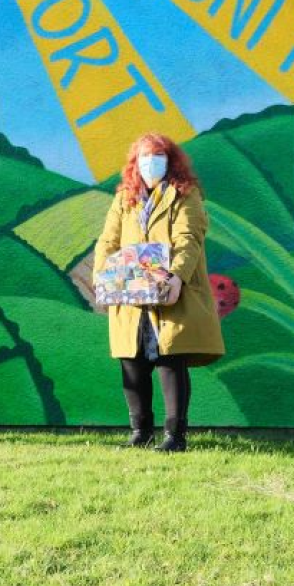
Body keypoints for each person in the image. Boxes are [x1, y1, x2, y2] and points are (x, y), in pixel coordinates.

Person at [93, 133, 223, 452]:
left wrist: (177, 277)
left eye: (157, 156)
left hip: (169, 292)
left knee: (169, 358)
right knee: (132, 361)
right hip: (130, 293)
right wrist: (101, 277)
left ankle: (174, 436)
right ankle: (140, 431)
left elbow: (189, 239)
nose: (150, 162)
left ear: (171, 160)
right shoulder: (125, 197)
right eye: (144, 157)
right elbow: (108, 241)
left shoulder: (185, 195)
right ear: (134, 163)